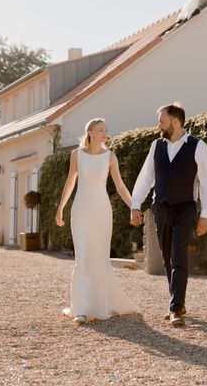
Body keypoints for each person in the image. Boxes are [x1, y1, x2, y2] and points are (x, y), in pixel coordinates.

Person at [130, 103, 207, 327]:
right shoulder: (155, 146)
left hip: (185, 208)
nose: (158, 125)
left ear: (175, 122)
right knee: (167, 257)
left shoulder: (198, 146)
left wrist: (205, 215)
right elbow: (146, 177)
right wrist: (135, 205)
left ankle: (176, 308)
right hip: (161, 207)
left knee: (179, 255)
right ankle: (177, 301)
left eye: (162, 121)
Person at [56, 118, 139, 324]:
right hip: (81, 211)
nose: (105, 132)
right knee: (82, 257)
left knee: (100, 258)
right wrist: (60, 209)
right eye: (100, 130)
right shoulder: (76, 155)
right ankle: (81, 309)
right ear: (90, 132)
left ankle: (101, 305)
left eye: (106, 130)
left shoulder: (110, 156)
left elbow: (120, 186)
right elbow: (70, 183)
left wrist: (134, 206)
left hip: (102, 212)